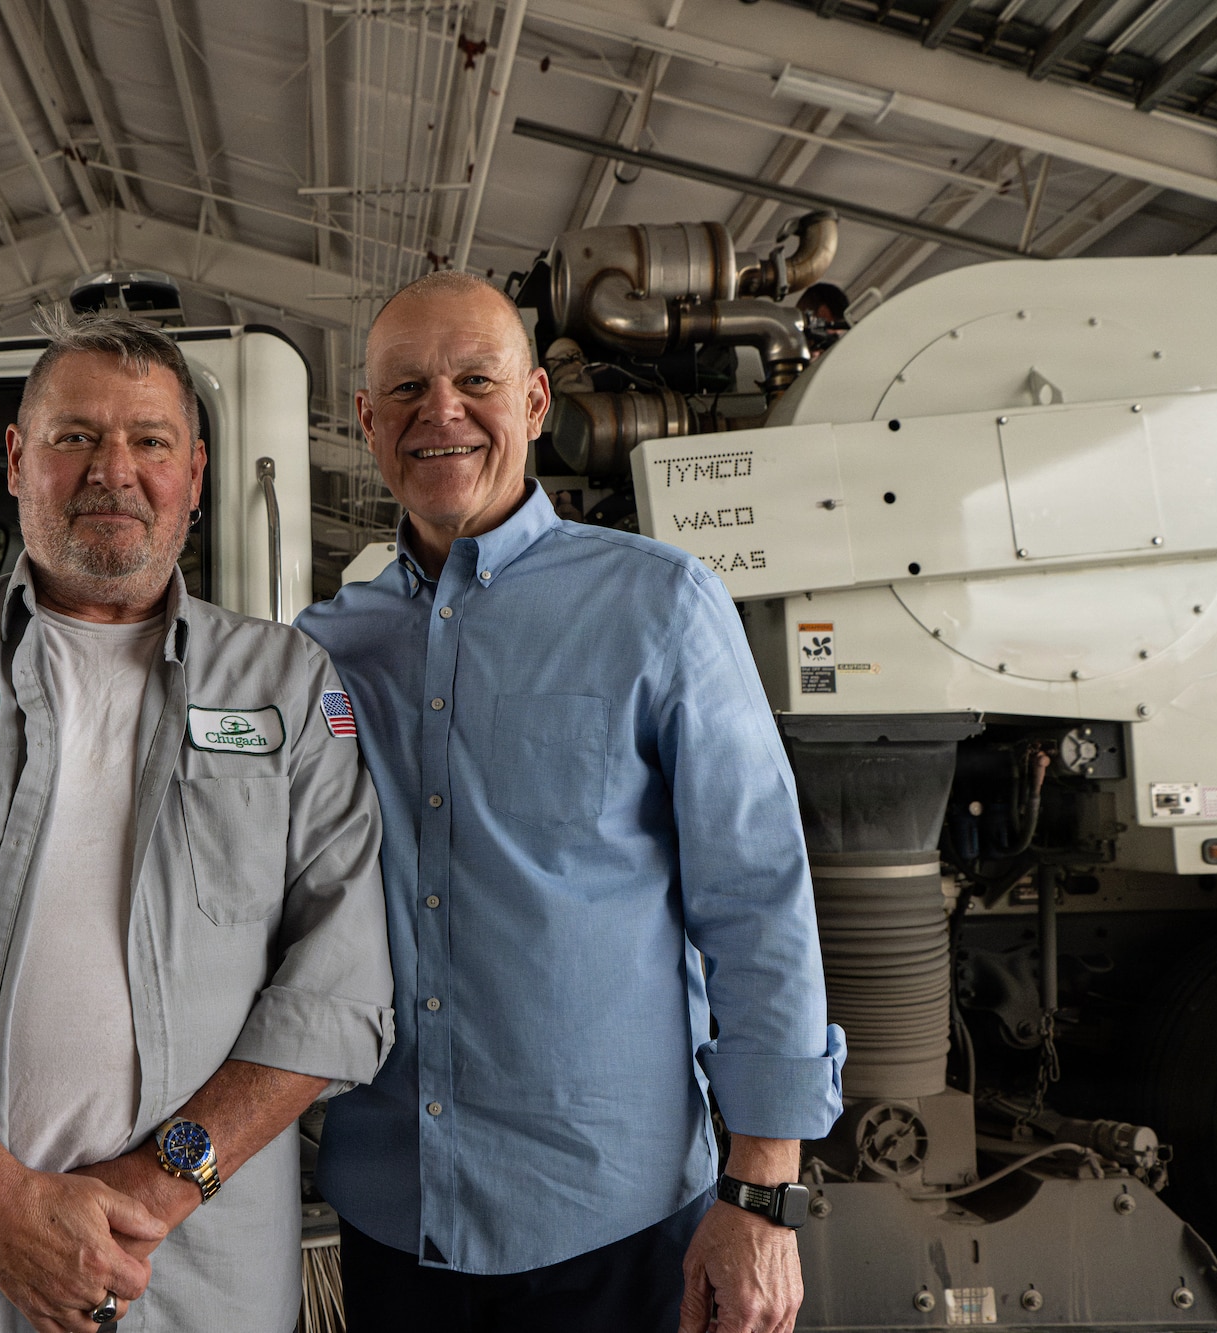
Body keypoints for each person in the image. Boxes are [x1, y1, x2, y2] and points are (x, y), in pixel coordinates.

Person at [0, 309, 395, 1333]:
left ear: (192, 474)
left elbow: (340, 977)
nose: (113, 469)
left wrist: (155, 1192)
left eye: (149, 441)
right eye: (74, 437)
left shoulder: (286, 681)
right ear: (18, 460)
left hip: (190, 1278)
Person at [296, 271, 843, 1333]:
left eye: (473, 380)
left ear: (535, 404)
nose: (438, 411)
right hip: (393, 1209)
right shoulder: (325, 649)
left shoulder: (658, 606)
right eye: (404, 388)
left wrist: (760, 1195)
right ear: (366, 422)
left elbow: (756, 895)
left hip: (616, 1221)